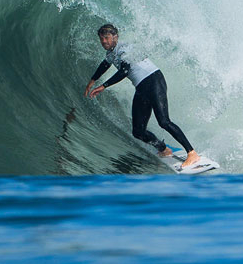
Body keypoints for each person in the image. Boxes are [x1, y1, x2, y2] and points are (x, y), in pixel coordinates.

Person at [84, 23, 201, 169]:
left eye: (107, 38)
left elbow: (124, 71)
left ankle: (192, 153)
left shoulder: (124, 49)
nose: (104, 42)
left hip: (153, 80)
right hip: (141, 87)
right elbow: (105, 64)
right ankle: (164, 149)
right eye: (101, 39)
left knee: (164, 121)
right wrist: (92, 81)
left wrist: (103, 86)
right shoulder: (111, 53)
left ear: (115, 36)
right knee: (138, 131)